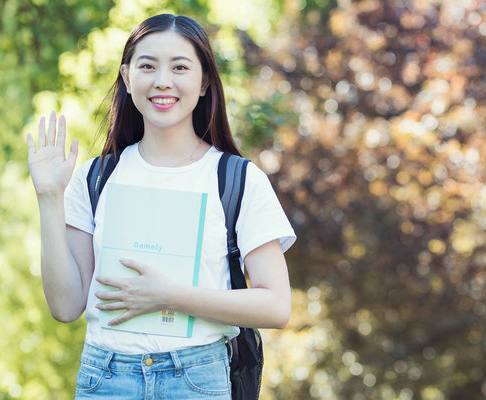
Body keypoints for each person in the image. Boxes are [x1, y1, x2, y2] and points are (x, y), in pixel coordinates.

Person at [27, 14, 296, 399]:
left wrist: (169, 296)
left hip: (196, 378)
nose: (162, 81)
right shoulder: (95, 178)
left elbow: (276, 305)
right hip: (105, 378)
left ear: (204, 82)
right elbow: (67, 306)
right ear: (126, 76)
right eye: (147, 66)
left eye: (180, 67)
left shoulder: (236, 179)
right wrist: (49, 198)